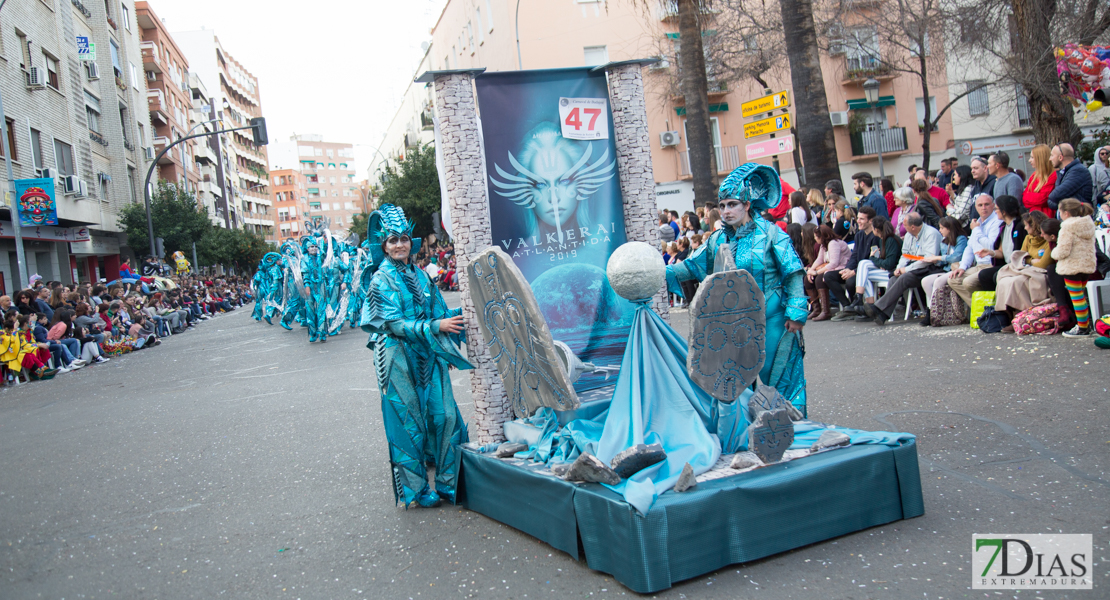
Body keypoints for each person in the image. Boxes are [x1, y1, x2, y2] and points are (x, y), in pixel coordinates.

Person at [666, 163, 808, 416]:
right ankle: (750, 433)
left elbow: (793, 273)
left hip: (773, 319)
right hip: (733, 325)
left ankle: (796, 429)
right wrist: (657, 272)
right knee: (737, 384)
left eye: (732, 204)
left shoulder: (772, 234)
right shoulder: (717, 239)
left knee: (783, 379)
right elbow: (690, 267)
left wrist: (796, 314)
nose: (726, 211)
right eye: (722, 206)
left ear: (747, 205)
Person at [360, 204, 471, 508]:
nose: (399, 245)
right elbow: (393, 324)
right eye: (393, 240)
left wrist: (468, 312)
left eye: (404, 239)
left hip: (428, 352)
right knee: (409, 425)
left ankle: (451, 482)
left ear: (412, 243)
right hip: (396, 358)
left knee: (445, 415)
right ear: (384, 245)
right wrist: (437, 326)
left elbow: (440, 312)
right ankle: (418, 490)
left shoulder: (422, 276)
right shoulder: (380, 279)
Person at [868, 213, 943, 325]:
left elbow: (928, 259)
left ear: (913, 226)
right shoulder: (909, 235)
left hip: (930, 267)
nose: (903, 229)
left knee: (905, 277)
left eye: (905, 225)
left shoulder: (931, 234)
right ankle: (883, 314)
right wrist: (899, 268)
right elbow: (905, 255)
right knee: (894, 278)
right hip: (913, 266)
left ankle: (878, 307)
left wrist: (906, 270)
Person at [1051, 199, 1098, 337]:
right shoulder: (1087, 224)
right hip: (1086, 265)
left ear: (1065, 212)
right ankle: (1084, 325)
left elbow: (1063, 250)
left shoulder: (1067, 226)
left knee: (1077, 298)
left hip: (1071, 266)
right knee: (1081, 297)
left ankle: (1083, 328)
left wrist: (1053, 253)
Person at [949, 194, 1003, 306]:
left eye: (987, 204)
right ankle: (979, 308)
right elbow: (970, 247)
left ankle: (990, 308)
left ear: (993, 206)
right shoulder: (977, 222)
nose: (984, 207)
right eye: (980, 205)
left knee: (969, 282)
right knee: (953, 279)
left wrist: (976, 230)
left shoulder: (996, 222)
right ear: (976, 207)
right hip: (978, 265)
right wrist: (962, 267)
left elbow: (991, 245)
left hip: (991, 264)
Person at [828, 206, 879, 320]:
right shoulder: (859, 235)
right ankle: (848, 307)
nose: (858, 221)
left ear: (870, 221)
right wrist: (848, 269)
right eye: (858, 218)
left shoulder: (876, 236)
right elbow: (854, 255)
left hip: (868, 270)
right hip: (855, 268)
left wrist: (854, 272)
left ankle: (860, 308)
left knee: (851, 282)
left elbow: (874, 260)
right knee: (829, 276)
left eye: (862, 219)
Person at [852, 217, 901, 319]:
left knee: (864, 266)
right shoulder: (882, 240)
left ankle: (861, 299)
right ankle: (869, 307)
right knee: (864, 274)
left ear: (876, 230)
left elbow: (889, 264)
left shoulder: (891, 240)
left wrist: (873, 258)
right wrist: (877, 260)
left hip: (894, 273)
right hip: (888, 271)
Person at [805, 224, 849, 321]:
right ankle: (816, 308)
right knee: (807, 279)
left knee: (819, 278)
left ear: (822, 237)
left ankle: (825, 310)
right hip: (832, 268)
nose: (815, 239)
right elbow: (819, 260)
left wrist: (816, 272)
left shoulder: (833, 244)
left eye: (816, 237)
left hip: (841, 268)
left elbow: (834, 263)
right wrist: (811, 270)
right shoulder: (823, 246)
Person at [1048, 144, 1093, 211]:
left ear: (1060, 157)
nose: (1050, 159)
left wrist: (1062, 204)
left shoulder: (1078, 171)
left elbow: (1054, 196)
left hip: (1078, 217)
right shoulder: (1064, 172)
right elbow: (1051, 201)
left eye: (1052, 155)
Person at [301, 240, 327, 343]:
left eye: (316, 246)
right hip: (310, 286)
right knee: (310, 309)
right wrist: (307, 285)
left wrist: (323, 241)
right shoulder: (304, 259)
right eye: (311, 246)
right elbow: (305, 273)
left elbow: (326, 254)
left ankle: (322, 333)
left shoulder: (320, 257)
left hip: (320, 285)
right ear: (307, 248)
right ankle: (313, 333)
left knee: (321, 309)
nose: (314, 248)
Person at [1023, 144, 1057, 216]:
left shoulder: (1053, 175)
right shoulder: (1034, 176)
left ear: (1040, 158)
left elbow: (1043, 199)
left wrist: (1029, 196)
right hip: (1033, 216)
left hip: (1046, 217)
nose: (1029, 160)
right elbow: (1024, 197)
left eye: (1032, 157)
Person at [946, 164, 976, 228]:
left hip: (965, 225)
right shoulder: (964, 189)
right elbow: (959, 203)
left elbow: (962, 213)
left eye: (955, 175)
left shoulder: (968, 189)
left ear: (961, 176)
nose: (954, 177)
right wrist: (951, 193)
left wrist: (950, 211)